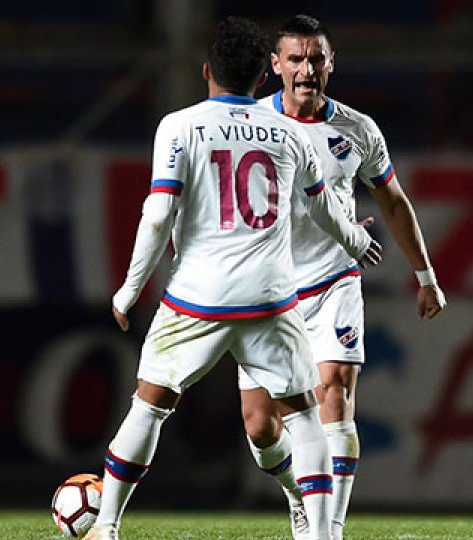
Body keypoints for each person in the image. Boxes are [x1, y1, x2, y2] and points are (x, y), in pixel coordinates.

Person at [83, 16, 383, 540]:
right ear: (263, 78)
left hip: (198, 299)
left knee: (150, 406)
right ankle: (322, 533)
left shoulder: (179, 126)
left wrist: (130, 289)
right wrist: (358, 242)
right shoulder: (289, 132)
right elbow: (326, 209)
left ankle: (106, 526)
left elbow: (157, 216)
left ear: (206, 72)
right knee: (304, 417)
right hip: (270, 298)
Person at [238, 14, 447, 540]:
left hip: (335, 279)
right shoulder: (252, 125)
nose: (306, 69)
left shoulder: (357, 130)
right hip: (268, 289)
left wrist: (426, 275)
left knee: (334, 392)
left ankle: (327, 529)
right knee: (261, 426)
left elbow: (393, 201)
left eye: (316, 59)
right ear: (275, 66)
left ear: (331, 64)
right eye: (295, 59)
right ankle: (297, 491)